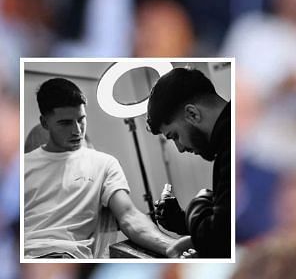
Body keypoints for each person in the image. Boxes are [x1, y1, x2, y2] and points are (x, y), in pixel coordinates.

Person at [23, 78, 192, 259]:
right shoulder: (20, 167)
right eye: (65, 123)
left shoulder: (103, 164)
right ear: (45, 122)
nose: (77, 131)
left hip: (65, 258)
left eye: (81, 119)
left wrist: (173, 246)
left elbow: (129, 216)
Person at [146, 67, 231, 258]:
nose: (180, 148)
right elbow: (227, 230)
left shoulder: (232, 147)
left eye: (175, 136)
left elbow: (218, 236)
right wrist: (181, 220)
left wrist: (200, 201)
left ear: (192, 114)